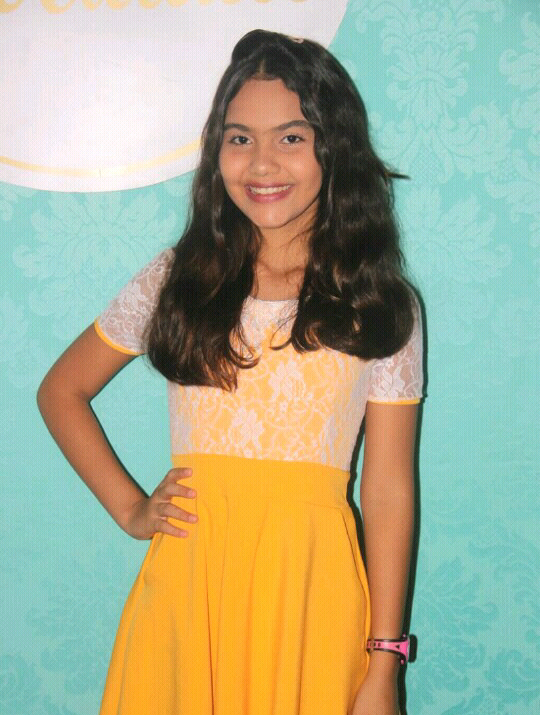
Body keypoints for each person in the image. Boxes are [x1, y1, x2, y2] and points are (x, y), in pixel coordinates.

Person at [37, 29, 423, 715]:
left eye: (291, 137)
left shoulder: (377, 301)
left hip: (313, 597)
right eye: (239, 138)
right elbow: (62, 390)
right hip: (191, 591)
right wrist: (131, 508)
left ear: (334, 148)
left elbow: (389, 490)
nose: (262, 162)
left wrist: (383, 661)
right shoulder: (177, 279)